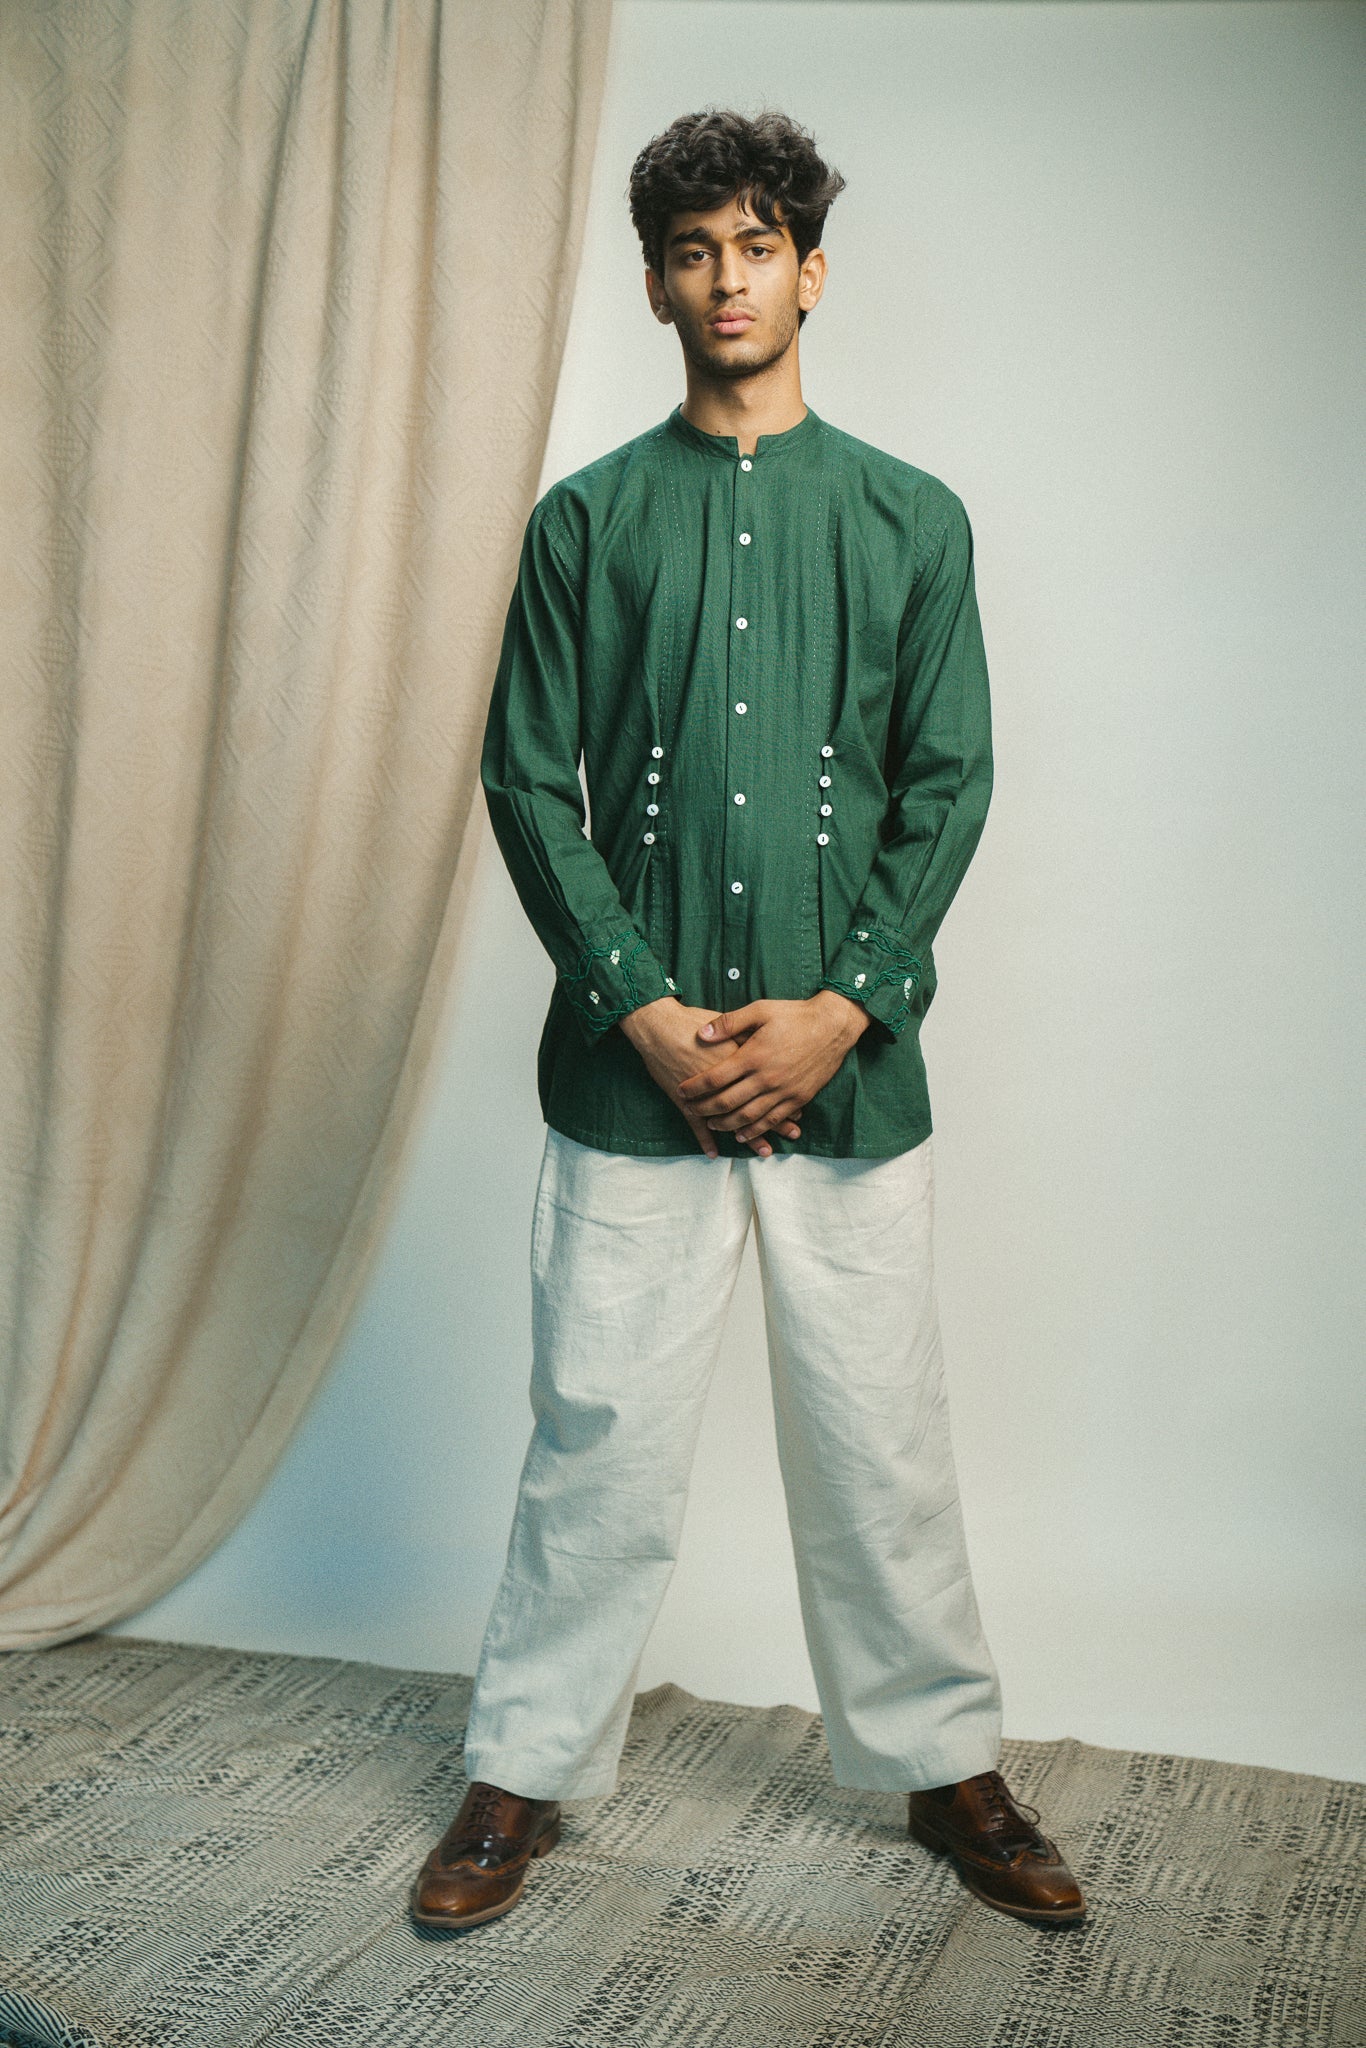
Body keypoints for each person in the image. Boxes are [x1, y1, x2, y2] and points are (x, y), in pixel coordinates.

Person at [411, 107, 1085, 1933]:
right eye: (693, 250)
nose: (727, 278)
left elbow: (946, 782)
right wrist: (639, 1010)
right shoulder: (585, 521)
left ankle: (945, 1766)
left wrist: (845, 1009)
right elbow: (526, 781)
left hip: (844, 1076)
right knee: (598, 1435)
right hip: (632, 1079)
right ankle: (524, 1768)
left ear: (810, 271)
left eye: (757, 246)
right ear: (652, 284)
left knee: (880, 1443)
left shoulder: (909, 519)